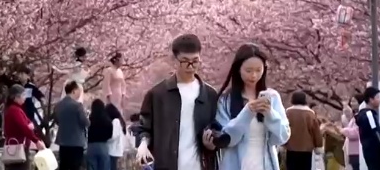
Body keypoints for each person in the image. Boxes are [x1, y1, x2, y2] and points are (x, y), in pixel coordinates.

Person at [137, 33, 220, 170]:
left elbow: (218, 129)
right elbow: (144, 128)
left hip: (201, 165)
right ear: (174, 60)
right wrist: (143, 144)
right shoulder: (157, 94)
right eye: (185, 61)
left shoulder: (209, 95)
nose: (190, 66)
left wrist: (213, 144)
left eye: (195, 61)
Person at [211, 44, 290, 170]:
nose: (253, 75)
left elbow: (282, 137)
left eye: (258, 70)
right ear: (238, 69)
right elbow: (227, 139)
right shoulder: (226, 101)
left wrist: (270, 114)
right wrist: (247, 112)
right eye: (248, 70)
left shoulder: (272, 97)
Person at [3, 84, 47, 170]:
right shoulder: (14, 110)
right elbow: (24, 127)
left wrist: (29, 126)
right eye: (23, 95)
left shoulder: (15, 109)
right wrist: (36, 140)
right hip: (18, 147)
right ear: (15, 97)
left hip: (17, 146)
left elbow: (28, 123)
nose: (25, 98)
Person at [354, 87, 380, 170]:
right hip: (375, 152)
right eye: (377, 97)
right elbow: (377, 133)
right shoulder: (369, 115)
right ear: (371, 99)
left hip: (369, 151)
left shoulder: (363, 115)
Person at [55, 80, 89, 170]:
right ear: (73, 91)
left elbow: (57, 120)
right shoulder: (78, 106)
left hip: (63, 142)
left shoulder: (58, 105)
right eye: (79, 90)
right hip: (76, 142)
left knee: (64, 166)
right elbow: (85, 122)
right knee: (75, 166)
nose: (80, 93)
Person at [285, 91, 322, 170]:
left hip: (291, 146)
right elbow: (315, 130)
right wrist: (318, 145)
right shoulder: (310, 113)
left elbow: (284, 129)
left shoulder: (288, 112)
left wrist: (282, 143)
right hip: (306, 148)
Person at [17, 66, 45, 133]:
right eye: (19, 74)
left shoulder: (31, 86)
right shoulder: (16, 86)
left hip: (29, 112)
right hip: (18, 111)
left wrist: (42, 101)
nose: (20, 76)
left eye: (22, 74)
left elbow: (40, 95)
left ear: (27, 76)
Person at [88, 99, 114, 170]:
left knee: (92, 167)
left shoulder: (89, 119)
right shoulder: (107, 120)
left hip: (91, 146)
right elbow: (110, 135)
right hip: (103, 145)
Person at [107, 104, 127, 170]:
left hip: (113, 151)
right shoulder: (119, 121)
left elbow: (113, 136)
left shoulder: (115, 121)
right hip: (115, 151)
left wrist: (105, 139)